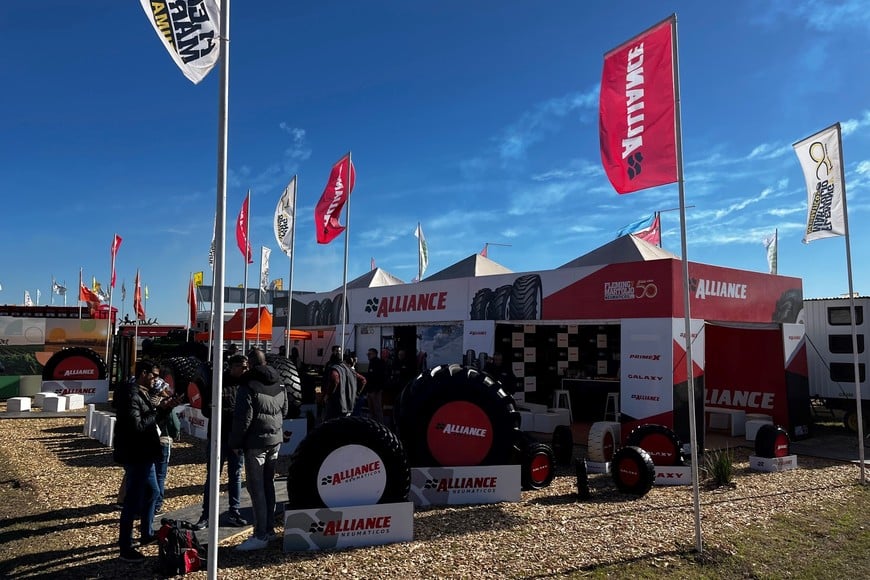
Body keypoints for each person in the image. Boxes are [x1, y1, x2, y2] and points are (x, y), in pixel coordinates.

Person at [113, 359, 183, 563]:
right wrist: (158, 410)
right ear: (143, 374)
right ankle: (125, 547)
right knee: (132, 501)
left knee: (153, 491)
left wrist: (167, 407)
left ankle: (146, 532)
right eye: (154, 375)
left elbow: (151, 421)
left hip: (146, 452)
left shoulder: (142, 392)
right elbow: (138, 426)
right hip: (136, 453)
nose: (157, 379)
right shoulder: (131, 394)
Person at [230, 348, 288, 551]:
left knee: (257, 490)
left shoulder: (248, 385)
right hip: (275, 439)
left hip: (256, 443)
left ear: (251, 364)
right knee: (269, 485)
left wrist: (236, 443)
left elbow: (243, 418)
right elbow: (285, 408)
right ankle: (270, 530)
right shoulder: (279, 381)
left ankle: (260, 534)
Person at [193, 354, 250, 530]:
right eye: (242, 366)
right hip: (218, 437)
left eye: (247, 366)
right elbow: (208, 409)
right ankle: (207, 515)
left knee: (235, 476)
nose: (246, 369)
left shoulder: (246, 384)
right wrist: (234, 413)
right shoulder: (217, 383)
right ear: (232, 367)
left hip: (237, 439)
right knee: (213, 477)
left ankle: (234, 511)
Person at [148, 377, 180, 516]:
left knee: (150, 473)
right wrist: (175, 434)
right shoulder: (166, 404)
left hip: (150, 441)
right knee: (160, 475)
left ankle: (148, 502)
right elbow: (174, 424)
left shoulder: (148, 401)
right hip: (164, 439)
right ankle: (157, 504)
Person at [323, 351, 366, 421]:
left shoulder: (335, 369)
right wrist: (356, 394)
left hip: (337, 406)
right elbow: (363, 380)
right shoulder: (350, 370)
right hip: (349, 406)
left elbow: (335, 380)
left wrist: (328, 394)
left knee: (331, 426)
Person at [364, 348, 387, 423]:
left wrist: (377, 390)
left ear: (374, 354)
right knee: (371, 410)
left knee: (377, 409)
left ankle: (380, 425)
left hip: (375, 391)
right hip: (370, 390)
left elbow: (381, 378)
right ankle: (373, 424)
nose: (368, 355)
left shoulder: (379, 363)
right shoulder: (371, 363)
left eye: (369, 354)